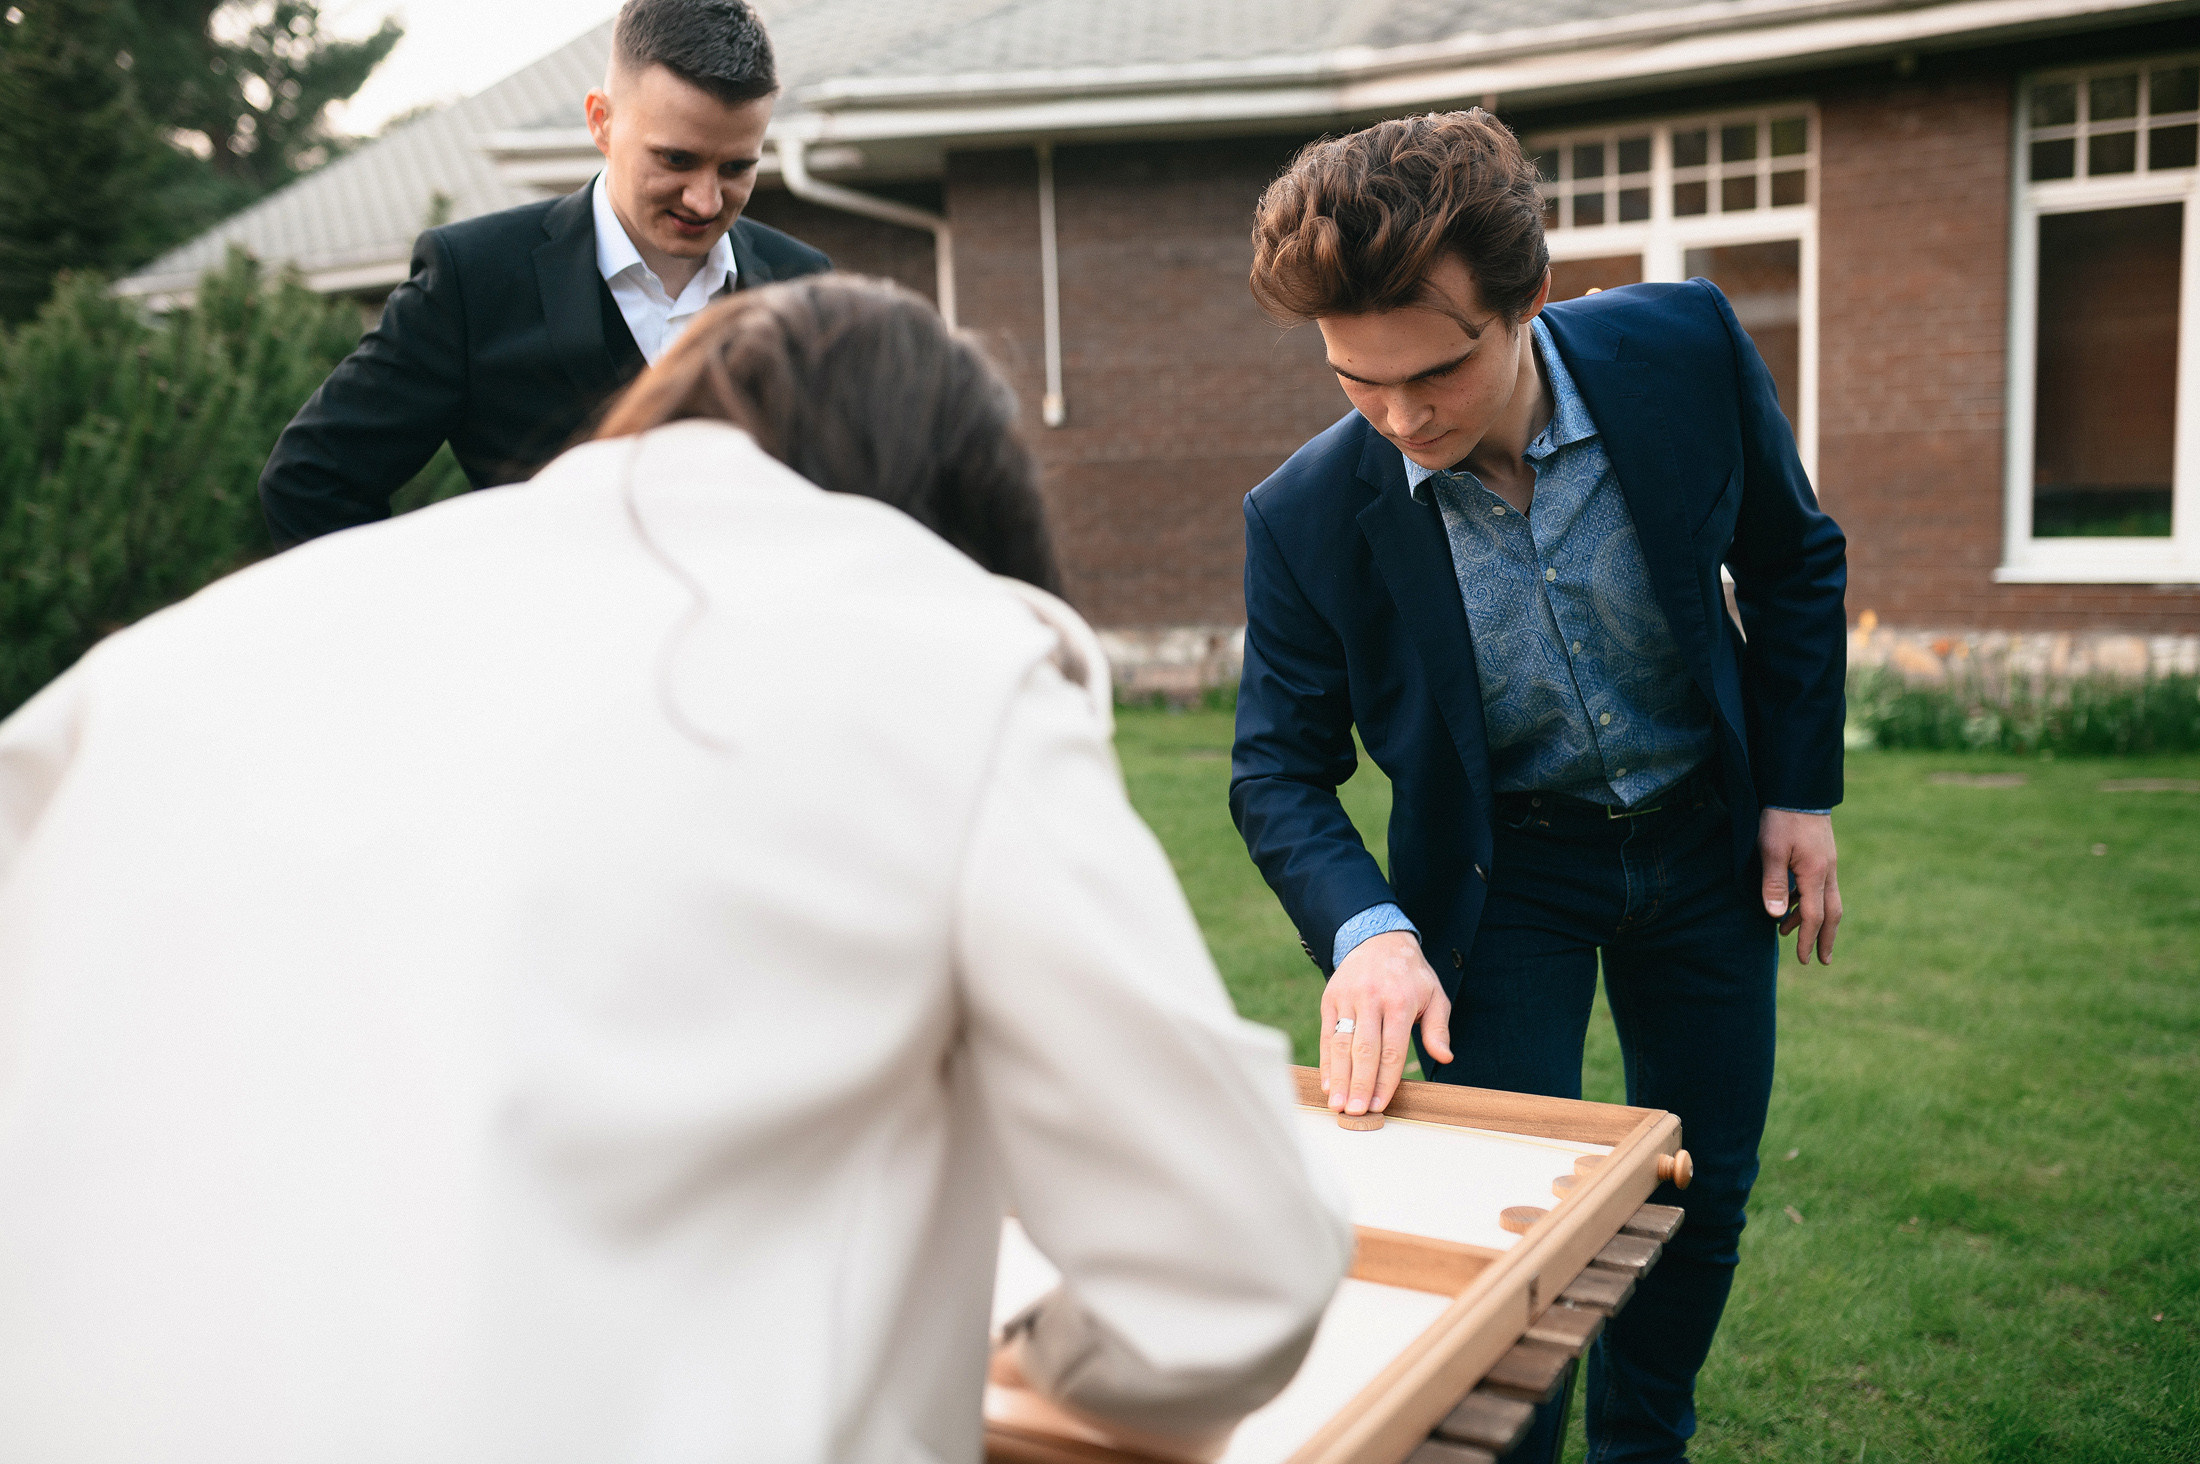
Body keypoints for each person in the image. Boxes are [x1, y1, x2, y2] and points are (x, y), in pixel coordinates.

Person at [0, 276, 1351, 1464]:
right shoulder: (944, 647)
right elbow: (1230, 1274)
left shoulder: (173, 662)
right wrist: (1044, 1358)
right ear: (959, 526)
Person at [1229, 111, 1848, 1463]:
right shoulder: (1303, 515)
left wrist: (1799, 791)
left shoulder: (1685, 347)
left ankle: (1642, 1445)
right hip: (1501, 881)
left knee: (1701, 1191)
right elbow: (1275, 766)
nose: (1402, 418)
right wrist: (1367, 933)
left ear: (1528, 300)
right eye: (1356, 381)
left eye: (1436, 371)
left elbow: (1793, 557)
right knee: (1505, 1229)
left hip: (1706, 845)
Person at [257, 0, 831, 549]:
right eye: (676, 160)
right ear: (601, 122)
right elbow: (310, 480)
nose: (705, 200)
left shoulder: (803, 287)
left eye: (736, 168)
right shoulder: (475, 279)